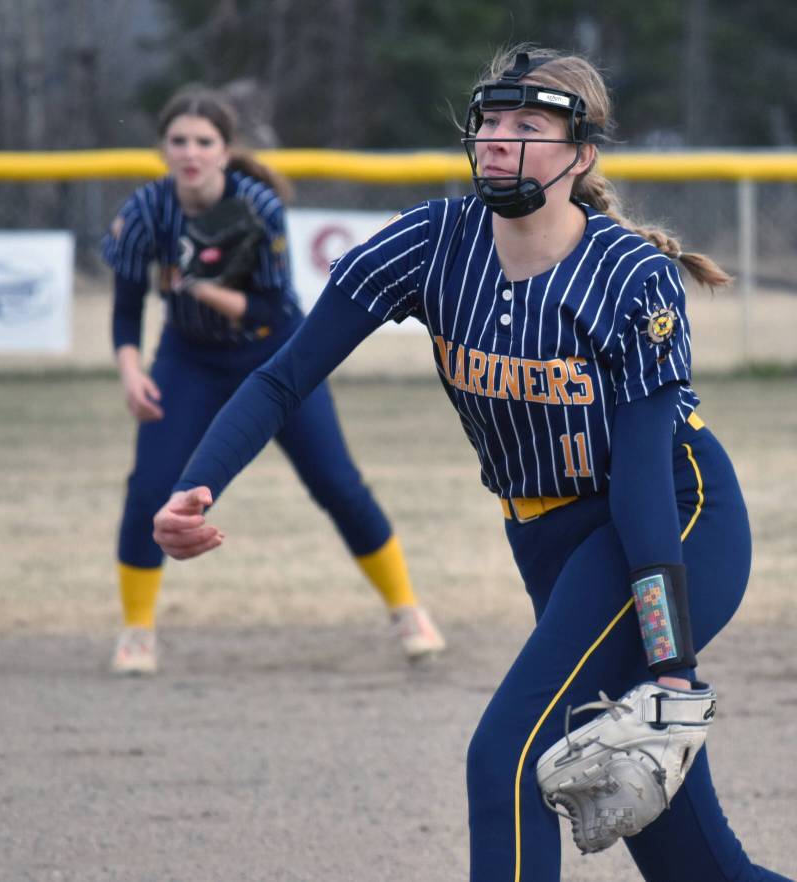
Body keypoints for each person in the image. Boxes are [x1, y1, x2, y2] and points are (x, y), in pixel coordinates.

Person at [153, 48, 793, 882]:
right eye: (489, 120)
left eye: (529, 125)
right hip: (551, 540)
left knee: (510, 756)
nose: (497, 139)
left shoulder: (631, 276)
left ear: (582, 152)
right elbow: (283, 375)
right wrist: (196, 482)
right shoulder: (433, 242)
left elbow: (639, 482)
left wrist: (671, 669)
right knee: (693, 868)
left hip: (674, 525)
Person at [102, 85, 445, 675]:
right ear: (162, 149)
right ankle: (137, 631)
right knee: (151, 488)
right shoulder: (146, 212)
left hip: (277, 354)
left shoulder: (257, 206)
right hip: (188, 358)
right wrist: (130, 370)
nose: (190, 152)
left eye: (204, 141)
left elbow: (266, 311)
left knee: (337, 484)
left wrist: (199, 287)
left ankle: (407, 609)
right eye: (178, 140)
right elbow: (127, 304)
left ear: (225, 149)